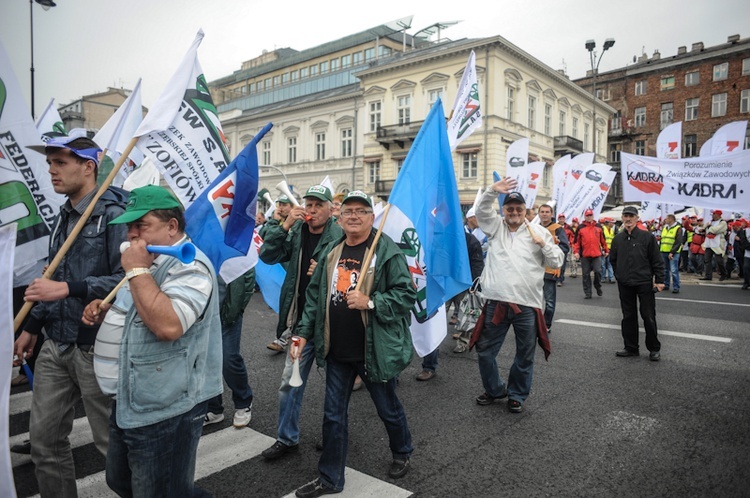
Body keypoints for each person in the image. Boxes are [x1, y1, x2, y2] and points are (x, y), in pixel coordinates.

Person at [82, 184, 222, 497]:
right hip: (134, 396)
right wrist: (109, 314)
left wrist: (136, 271)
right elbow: (140, 310)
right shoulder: (149, 261)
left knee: (158, 490)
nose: (131, 235)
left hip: (166, 405)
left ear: (172, 226)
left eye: (141, 226)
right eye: (130, 227)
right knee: (121, 481)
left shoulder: (190, 266)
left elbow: (168, 325)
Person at [14, 136, 128, 497]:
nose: (51, 170)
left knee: (113, 450)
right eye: (50, 163)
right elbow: (54, 274)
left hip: (96, 347)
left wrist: (69, 289)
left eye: (60, 162)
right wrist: (32, 325)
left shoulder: (116, 212)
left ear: (88, 166)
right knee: (44, 444)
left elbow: (129, 278)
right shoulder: (65, 212)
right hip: (55, 343)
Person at [292, 190, 416, 497]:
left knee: (387, 408)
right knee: (333, 415)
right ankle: (330, 478)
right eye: (348, 211)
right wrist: (303, 333)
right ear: (339, 216)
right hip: (336, 351)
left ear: (372, 218)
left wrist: (370, 301)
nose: (354, 216)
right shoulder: (332, 252)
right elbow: (314, 299)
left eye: (362, 211)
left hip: (372, 350)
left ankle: (402, 450)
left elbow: (405, 296)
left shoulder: (386, 251)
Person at [259, 185, 343, 460]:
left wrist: (327, 270)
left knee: (335, 385)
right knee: (289, 381)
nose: (312, 210)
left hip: (333, 323)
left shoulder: (340, 235)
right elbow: (267, 256)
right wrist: (283, 227)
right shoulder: (296, 232)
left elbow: (355, 274)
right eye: (309, 204)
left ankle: (332, 435)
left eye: (319, 205)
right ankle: (286, 438)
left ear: (331, 209)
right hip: (300, 325)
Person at [469, 181, 563, 414]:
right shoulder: (495, 227)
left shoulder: (539, 232)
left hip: (528, 305)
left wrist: (544, 245)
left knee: (525, 354)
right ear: (504, 211)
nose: (514, 212)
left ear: (525, 211)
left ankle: (517, 395)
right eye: (509, 208)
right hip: (496, 302)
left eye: (518, 208)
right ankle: (494, 389)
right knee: (485, 351)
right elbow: (481, 210)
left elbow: (557, 262)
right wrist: (492, 190)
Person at [610, 205, 665, 361]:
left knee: (648, 316)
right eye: (625, 216)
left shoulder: (647, 237)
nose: (628, 219)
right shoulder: (618, 239)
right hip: (625, 283)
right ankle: (631, 347)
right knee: (628, 316)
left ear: (637, 218)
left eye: (631, 216)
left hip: (644, 282)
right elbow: (613, 260)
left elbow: (657, 260)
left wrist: (659, 280)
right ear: (622, 218)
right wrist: (619, 275)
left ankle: (654, 349)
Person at [203, 269, 256, 428]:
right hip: (202, 315)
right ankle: (214, 409)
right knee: (206, 361)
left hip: (227, 313)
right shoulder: (196, 246)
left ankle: (243, 402)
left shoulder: (232, 244)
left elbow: (248, 274)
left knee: (229, 359)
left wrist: (238, 306)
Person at [538, 204, 569, 332]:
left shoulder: (558, 229)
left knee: (549, 301)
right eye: (542, 212)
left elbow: (565, 247)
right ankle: (534, 324)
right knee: (533, 300)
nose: (544, 214)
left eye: (547, 212)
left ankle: (546, 325)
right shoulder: (535, 228)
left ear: (551, 214)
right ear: (538, 214)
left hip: (550, 269)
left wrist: (551, 246)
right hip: (535, 269)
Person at [574, 209, 608, 299]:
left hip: (596, 254)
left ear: (593, 216)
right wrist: (576, 252)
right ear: (585, 217)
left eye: (590, 215)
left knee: (598, 271)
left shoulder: (598, 226)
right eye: (587, 215)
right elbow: (576, 242)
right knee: (585, 275)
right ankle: (588, 292)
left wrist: (606, 250)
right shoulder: (580, 227)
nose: (589, 217)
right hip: (585, 255)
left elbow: (603, 240)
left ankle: (597, 286)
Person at [700, 210, 728, 281]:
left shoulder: (723, 223)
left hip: (717, 244)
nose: (712, 215)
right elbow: (704, 229)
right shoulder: (711, 222)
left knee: (719, 261)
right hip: (709, 243)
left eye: (714, 214)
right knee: (707, 260)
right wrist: (706, 228)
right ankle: (708, 275)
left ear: (718, 215)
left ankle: (724, 274)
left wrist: (708, 228)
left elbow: (715, 230)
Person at [659, 214, 684, 293]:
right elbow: (662, 239)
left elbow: (678, 241)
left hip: (673, 252)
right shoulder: (665, 228)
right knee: (665, 270)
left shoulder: (678, 228)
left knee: (674, 270)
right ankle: (666, 284)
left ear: (671, 219)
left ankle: (676, 286)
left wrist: (672, 252)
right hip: (664, 251)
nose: (665, 220)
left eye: (666, 219)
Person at [557, 213, 576, 286]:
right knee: (556, 263)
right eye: (560, 218)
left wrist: (570, 243)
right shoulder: (555, 227)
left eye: (563, 218)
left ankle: (560, 279)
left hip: (564, 248)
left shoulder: (568, 227)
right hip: (556, 247)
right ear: (558, 219)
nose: (562, 220)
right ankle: (556, 277)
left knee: (563, 264)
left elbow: (573, 236)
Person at [601, 218, 617, 283]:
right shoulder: (603, 229)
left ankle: (611, 277)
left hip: (610, 249)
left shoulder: (611, 231)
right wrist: (602, 249)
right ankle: (603, 277)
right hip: (604, 249)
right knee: (603, 264)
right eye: (612, 222)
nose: (613, 224)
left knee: (609, 264)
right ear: (608, 223)